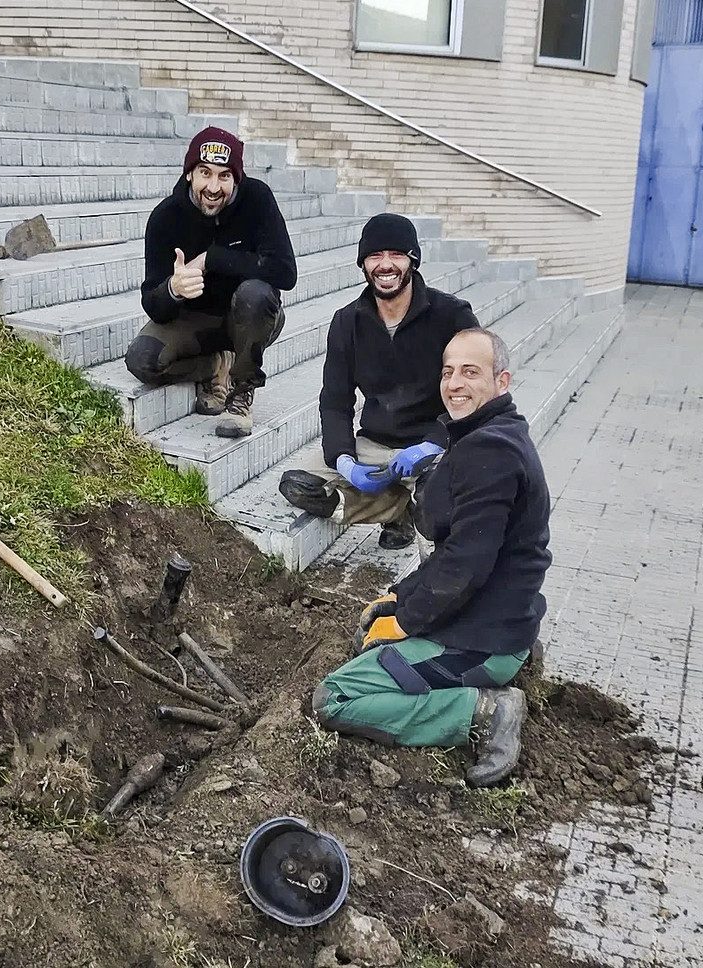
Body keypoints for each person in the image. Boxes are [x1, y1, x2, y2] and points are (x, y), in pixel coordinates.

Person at [311, 328, 552, 787]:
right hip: (498, 620)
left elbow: (464, 563)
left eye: (470, 372)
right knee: (374, 631)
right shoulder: (491, 433)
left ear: (503, 381)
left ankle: (485, 710)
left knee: (333, 698)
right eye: (448, 372)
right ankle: (497, 671)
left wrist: (407, 620)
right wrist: (399, 597)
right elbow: (460, 554)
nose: (455, 383)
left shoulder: (491, 451)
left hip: (482, 641)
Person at [277, 213, 479, 549]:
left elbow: (474, 391)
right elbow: (335, 401)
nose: (385, 265)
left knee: (436, 508)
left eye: (397, 255)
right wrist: (344, 459)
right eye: (375, 256)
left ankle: (418, 502)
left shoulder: (452, 315)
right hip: (376, 445)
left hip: (435, 446)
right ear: (363, 264)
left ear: (413, 260)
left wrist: (434, 442)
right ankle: (395, 507)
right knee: (299, 485)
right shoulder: (347, 321)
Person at [125, 127, 297, 438]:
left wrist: (211, 259)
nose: (213, 187)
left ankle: (241, 391)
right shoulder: (166, 217)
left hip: (247, 319)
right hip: (195, 323)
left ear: (236, 179)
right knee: (141, 360)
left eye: (224, 176)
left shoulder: (257, 200)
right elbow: (153, 304)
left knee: (256, 292)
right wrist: (172, 290)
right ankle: (214, 366)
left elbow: (285, 273)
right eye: (205, 173)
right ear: (189, 173)